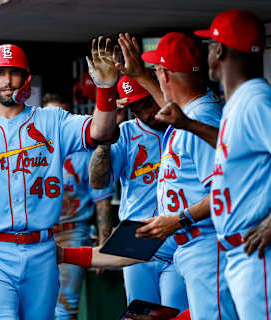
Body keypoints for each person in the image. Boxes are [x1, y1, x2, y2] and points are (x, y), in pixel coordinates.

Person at [0, 39, 120, 319]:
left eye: (14, 72)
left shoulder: (52, 119)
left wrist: (105, 89)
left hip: (43, 250)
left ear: (26, 77)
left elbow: (101, 131)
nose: (7, 79)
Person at [133, 32, 238, 320]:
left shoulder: (203, 118)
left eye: (157, 70)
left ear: (165, 74)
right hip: (190, 247)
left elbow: (224, 191)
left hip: (207, 247)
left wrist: (179, 219)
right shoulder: (191, 114)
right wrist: (142, 76)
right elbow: (172, 112)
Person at [194, 9, 271, 320]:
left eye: (209, 46)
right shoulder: (238, 101)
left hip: (256, 254)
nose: (208, 52)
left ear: (219, 50)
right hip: (238, 253)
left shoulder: (256, 100)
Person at [89, 75, 187, 311]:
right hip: (135, 238)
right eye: (137, 109)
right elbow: (98, 181)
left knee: (176, 312)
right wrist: (106, 136)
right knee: (141, 314)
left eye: (148, 105)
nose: (145, 115)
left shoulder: (185, 125)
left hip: (178, 235)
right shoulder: (125, 133)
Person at [44, 96, 114, 319]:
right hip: (39, 234)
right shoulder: (32, 152)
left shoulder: (85, 154)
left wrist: (104, 244)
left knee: (65, 306)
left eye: (61, 116)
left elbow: (101, 199)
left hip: (73, 232)